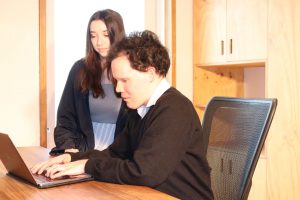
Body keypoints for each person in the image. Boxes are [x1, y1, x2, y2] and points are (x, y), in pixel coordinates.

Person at [32, 30, 214, 200]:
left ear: (150, 73)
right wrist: (72, 158)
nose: (118, 89)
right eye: (116, 81)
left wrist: (87, 166)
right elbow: (115, 153)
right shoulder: (140, 110)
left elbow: (144, 172)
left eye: (124, 80)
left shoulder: (175, 109)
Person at [50, 9, 128, 155]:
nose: (99, 42)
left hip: (119, 154)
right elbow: (65, 119)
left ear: (117, 34)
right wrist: (68, 148)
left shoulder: (132, 69)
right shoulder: (80, 69)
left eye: (105, 35)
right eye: (93, 36)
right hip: (84, 150)